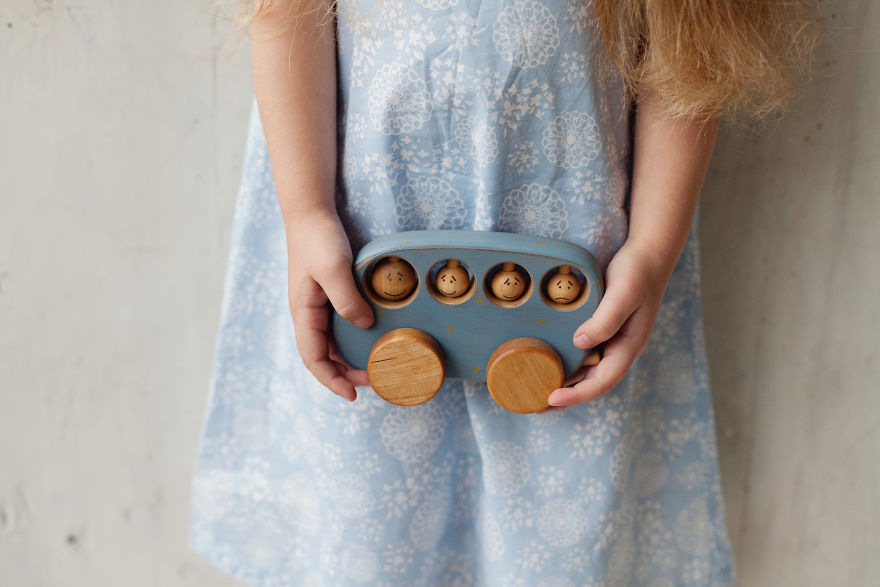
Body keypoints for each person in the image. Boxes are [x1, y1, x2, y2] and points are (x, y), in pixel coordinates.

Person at [189, 1, 820, 585]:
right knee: (364, 526)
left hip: (580, 282)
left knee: (556, 530)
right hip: (359, 251)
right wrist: (306, 213)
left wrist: (652, 253)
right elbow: (285, 10)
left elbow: (694, 45)